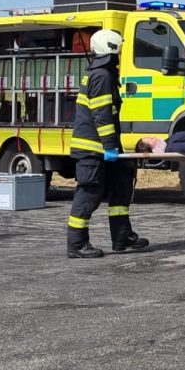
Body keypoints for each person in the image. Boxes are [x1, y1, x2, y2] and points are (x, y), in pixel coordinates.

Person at [67, 29, 148, 258]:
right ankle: (77, 244)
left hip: (104, 145)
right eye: (118, 50)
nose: (120, 55)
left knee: (121, 186)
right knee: (89, 194)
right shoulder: (102, 75)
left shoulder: (103, 73)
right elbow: (102, 115)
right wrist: (110, 146)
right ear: (111, 51)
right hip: (94, 147)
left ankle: (122, 236)